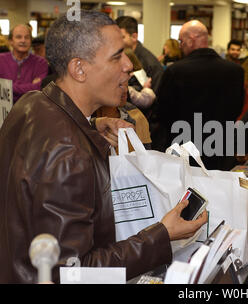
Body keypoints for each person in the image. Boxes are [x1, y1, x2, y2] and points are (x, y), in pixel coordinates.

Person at [0, 10, 207, 284]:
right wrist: (162, 234)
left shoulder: (31, 103)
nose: (128, 66)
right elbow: (72, 272)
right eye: (116, 56)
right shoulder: (69, 151)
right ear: (79, 68)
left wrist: (91, 126)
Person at [150, 20, 244, 171]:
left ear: (191, 39)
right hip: (220, 148)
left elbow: (163, 112)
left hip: (184, 150)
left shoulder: (175, 71)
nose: (180, 45)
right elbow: (237, 108)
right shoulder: (235, 71)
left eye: (181, 41)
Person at [0, 24, 48, 103]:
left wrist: (7, 87)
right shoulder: (1, 60)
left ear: (31, 41)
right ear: (10, 41)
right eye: (19, 37)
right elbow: (32, 90)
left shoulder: (41, 63)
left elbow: (38, 88)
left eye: (27, 37)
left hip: (31, 110)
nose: (23, 40)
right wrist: (29, 86)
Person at [116, 16, 164, 92]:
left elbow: (156, 97)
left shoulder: (150, 63)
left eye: (122, 37)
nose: (116, 41)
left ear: (134, 37)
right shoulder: (117, 57)